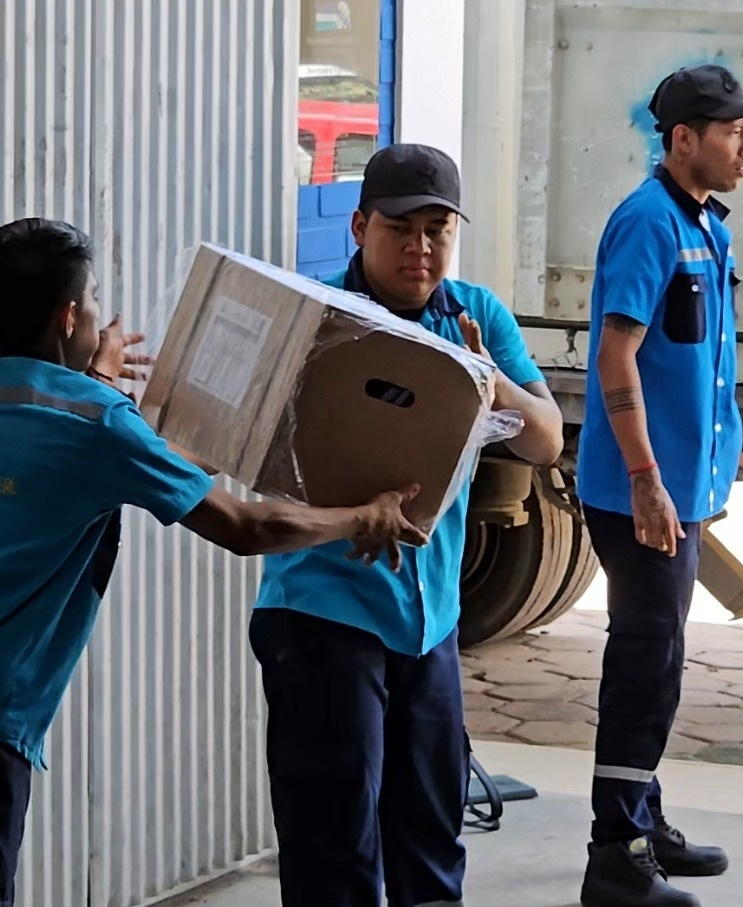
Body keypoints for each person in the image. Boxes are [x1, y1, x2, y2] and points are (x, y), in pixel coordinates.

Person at [0, 217, 429, 907]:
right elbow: (245, 524)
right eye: (93, 299)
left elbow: (75, 457)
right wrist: (360, 517)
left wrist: (94, 377)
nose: (101, 313)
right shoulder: (93, 421)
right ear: (70, 316)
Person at [250, 143, 564, 907]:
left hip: (429, 626)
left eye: (437, 230)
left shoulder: (475, 316)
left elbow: (547, 436)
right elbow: (258, 462)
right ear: (359, 226)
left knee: (429, 840)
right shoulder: (316, 320)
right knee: (333, 850)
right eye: (401, 229)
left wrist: (496, 390)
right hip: (324, 615)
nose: (421, 249)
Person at [574, 64, 743, 907]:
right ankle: (612, 855)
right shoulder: (646, 223)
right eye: (731, 130)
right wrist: (649, 479)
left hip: (676, 491)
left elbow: (698, 361)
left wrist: (709, 471)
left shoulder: (706, 228)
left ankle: (642, 817)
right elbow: (615, 354)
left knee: (662, 656)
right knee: (644, 664)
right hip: (636, 494)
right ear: (683, 139)